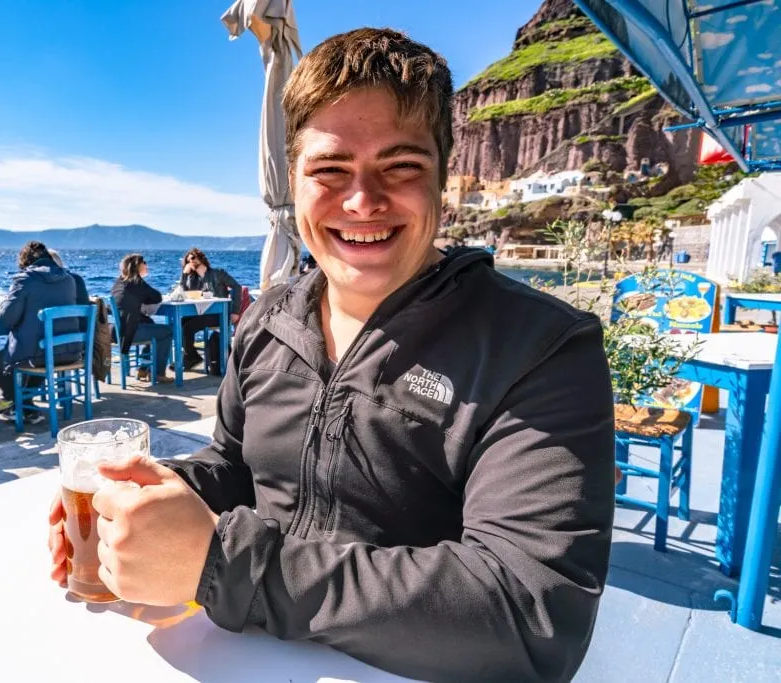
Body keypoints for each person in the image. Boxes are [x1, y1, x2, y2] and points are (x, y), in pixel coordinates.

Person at [47, 28, 614, 683]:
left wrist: (222, 565)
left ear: (444, 180)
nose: (362, 201)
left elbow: (532, 615)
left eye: (400, 166)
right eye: (330, 170)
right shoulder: (267, 319)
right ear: (294, 179)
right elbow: (235, 464)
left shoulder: (538, 347)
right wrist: (144, 508)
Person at [0, 241, 79, 425]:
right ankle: (25, 405)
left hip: (41, 356)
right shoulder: (69, 279)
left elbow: (7, 319)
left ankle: (17, 404)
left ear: (26, 262)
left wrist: (5, 303)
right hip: (70, 353)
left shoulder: (26, 279)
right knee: (40, 346)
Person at [174, 248, 242, 370]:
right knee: (180, 322)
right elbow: (182, 293)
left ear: (201, 258)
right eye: (188, 260)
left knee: (189, 327)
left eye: (193, 258)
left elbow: (237, 287)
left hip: (219, 314)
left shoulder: (218, 273)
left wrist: (235, 311)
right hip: (202, 313)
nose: (191, 262)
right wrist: (184, 275)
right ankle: (191, 356)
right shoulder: (193, 279)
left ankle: (191, 357)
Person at [110, 254, 172, 383]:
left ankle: (143, 369)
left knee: (151, 324)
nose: (147, 265)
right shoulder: (137, 283)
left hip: (115, 331)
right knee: (167, 332)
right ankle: (158, 373)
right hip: (128, 333)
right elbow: (157, 297)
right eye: (145, 263)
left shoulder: (118, 283)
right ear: (138, 266)